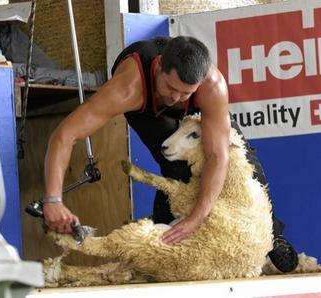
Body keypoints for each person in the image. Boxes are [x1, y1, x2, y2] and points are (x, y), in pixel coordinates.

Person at [42, 36, 299, 272]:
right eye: (171, 87)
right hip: (146, 104)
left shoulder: (212, 85)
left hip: (203, 118)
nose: (176, 98)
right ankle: (162, 242)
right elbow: (65, 135)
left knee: (239, 159)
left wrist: (197, 218)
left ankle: (271, 234)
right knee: (174, 164)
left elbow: (217, 157)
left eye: (186, 93)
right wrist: (53, 200)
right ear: (159, 69)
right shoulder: (127, 89)